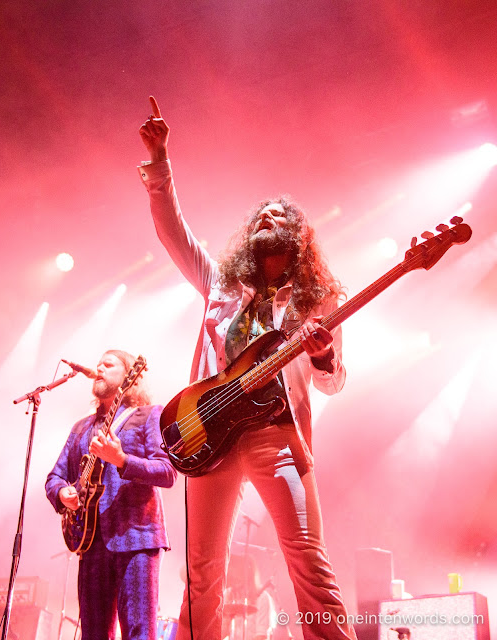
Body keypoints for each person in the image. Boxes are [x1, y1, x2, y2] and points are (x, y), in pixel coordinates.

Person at [138, 97, 357, 640]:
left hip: (277, 435)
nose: (267, 217)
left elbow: (334, 380)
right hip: (210, 433)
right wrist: (161, 161)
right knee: (202, 573)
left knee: (307, 559)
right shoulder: (220, 285)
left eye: (279, 215)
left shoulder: (317, 300)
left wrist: (323, 353)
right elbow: (173, 232)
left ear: (299, 235)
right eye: (261, 212)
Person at [45, 349, 177, 640]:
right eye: (98, 364)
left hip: (137, 539)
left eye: (109, 364)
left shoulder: (148, 416)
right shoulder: (80, 428)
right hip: (90, 543)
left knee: (138, 633)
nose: (99, 367)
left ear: (130, 375)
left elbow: (167, 472)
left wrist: (122, 460)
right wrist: (63, 493)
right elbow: (54, 477)